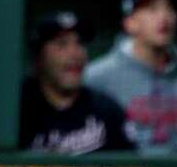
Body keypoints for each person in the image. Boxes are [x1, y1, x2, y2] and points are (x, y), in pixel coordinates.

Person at [85, 0, 177, 155]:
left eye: (169, 8)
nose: (164, 17)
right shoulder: (97, 76)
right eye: (152, 9)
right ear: (130, 23)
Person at [20, 12, 134, 154]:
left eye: (80, 43)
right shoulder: (18, 111)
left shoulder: (107, 110)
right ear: (39, 58)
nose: (75, 53)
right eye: (62, 44)